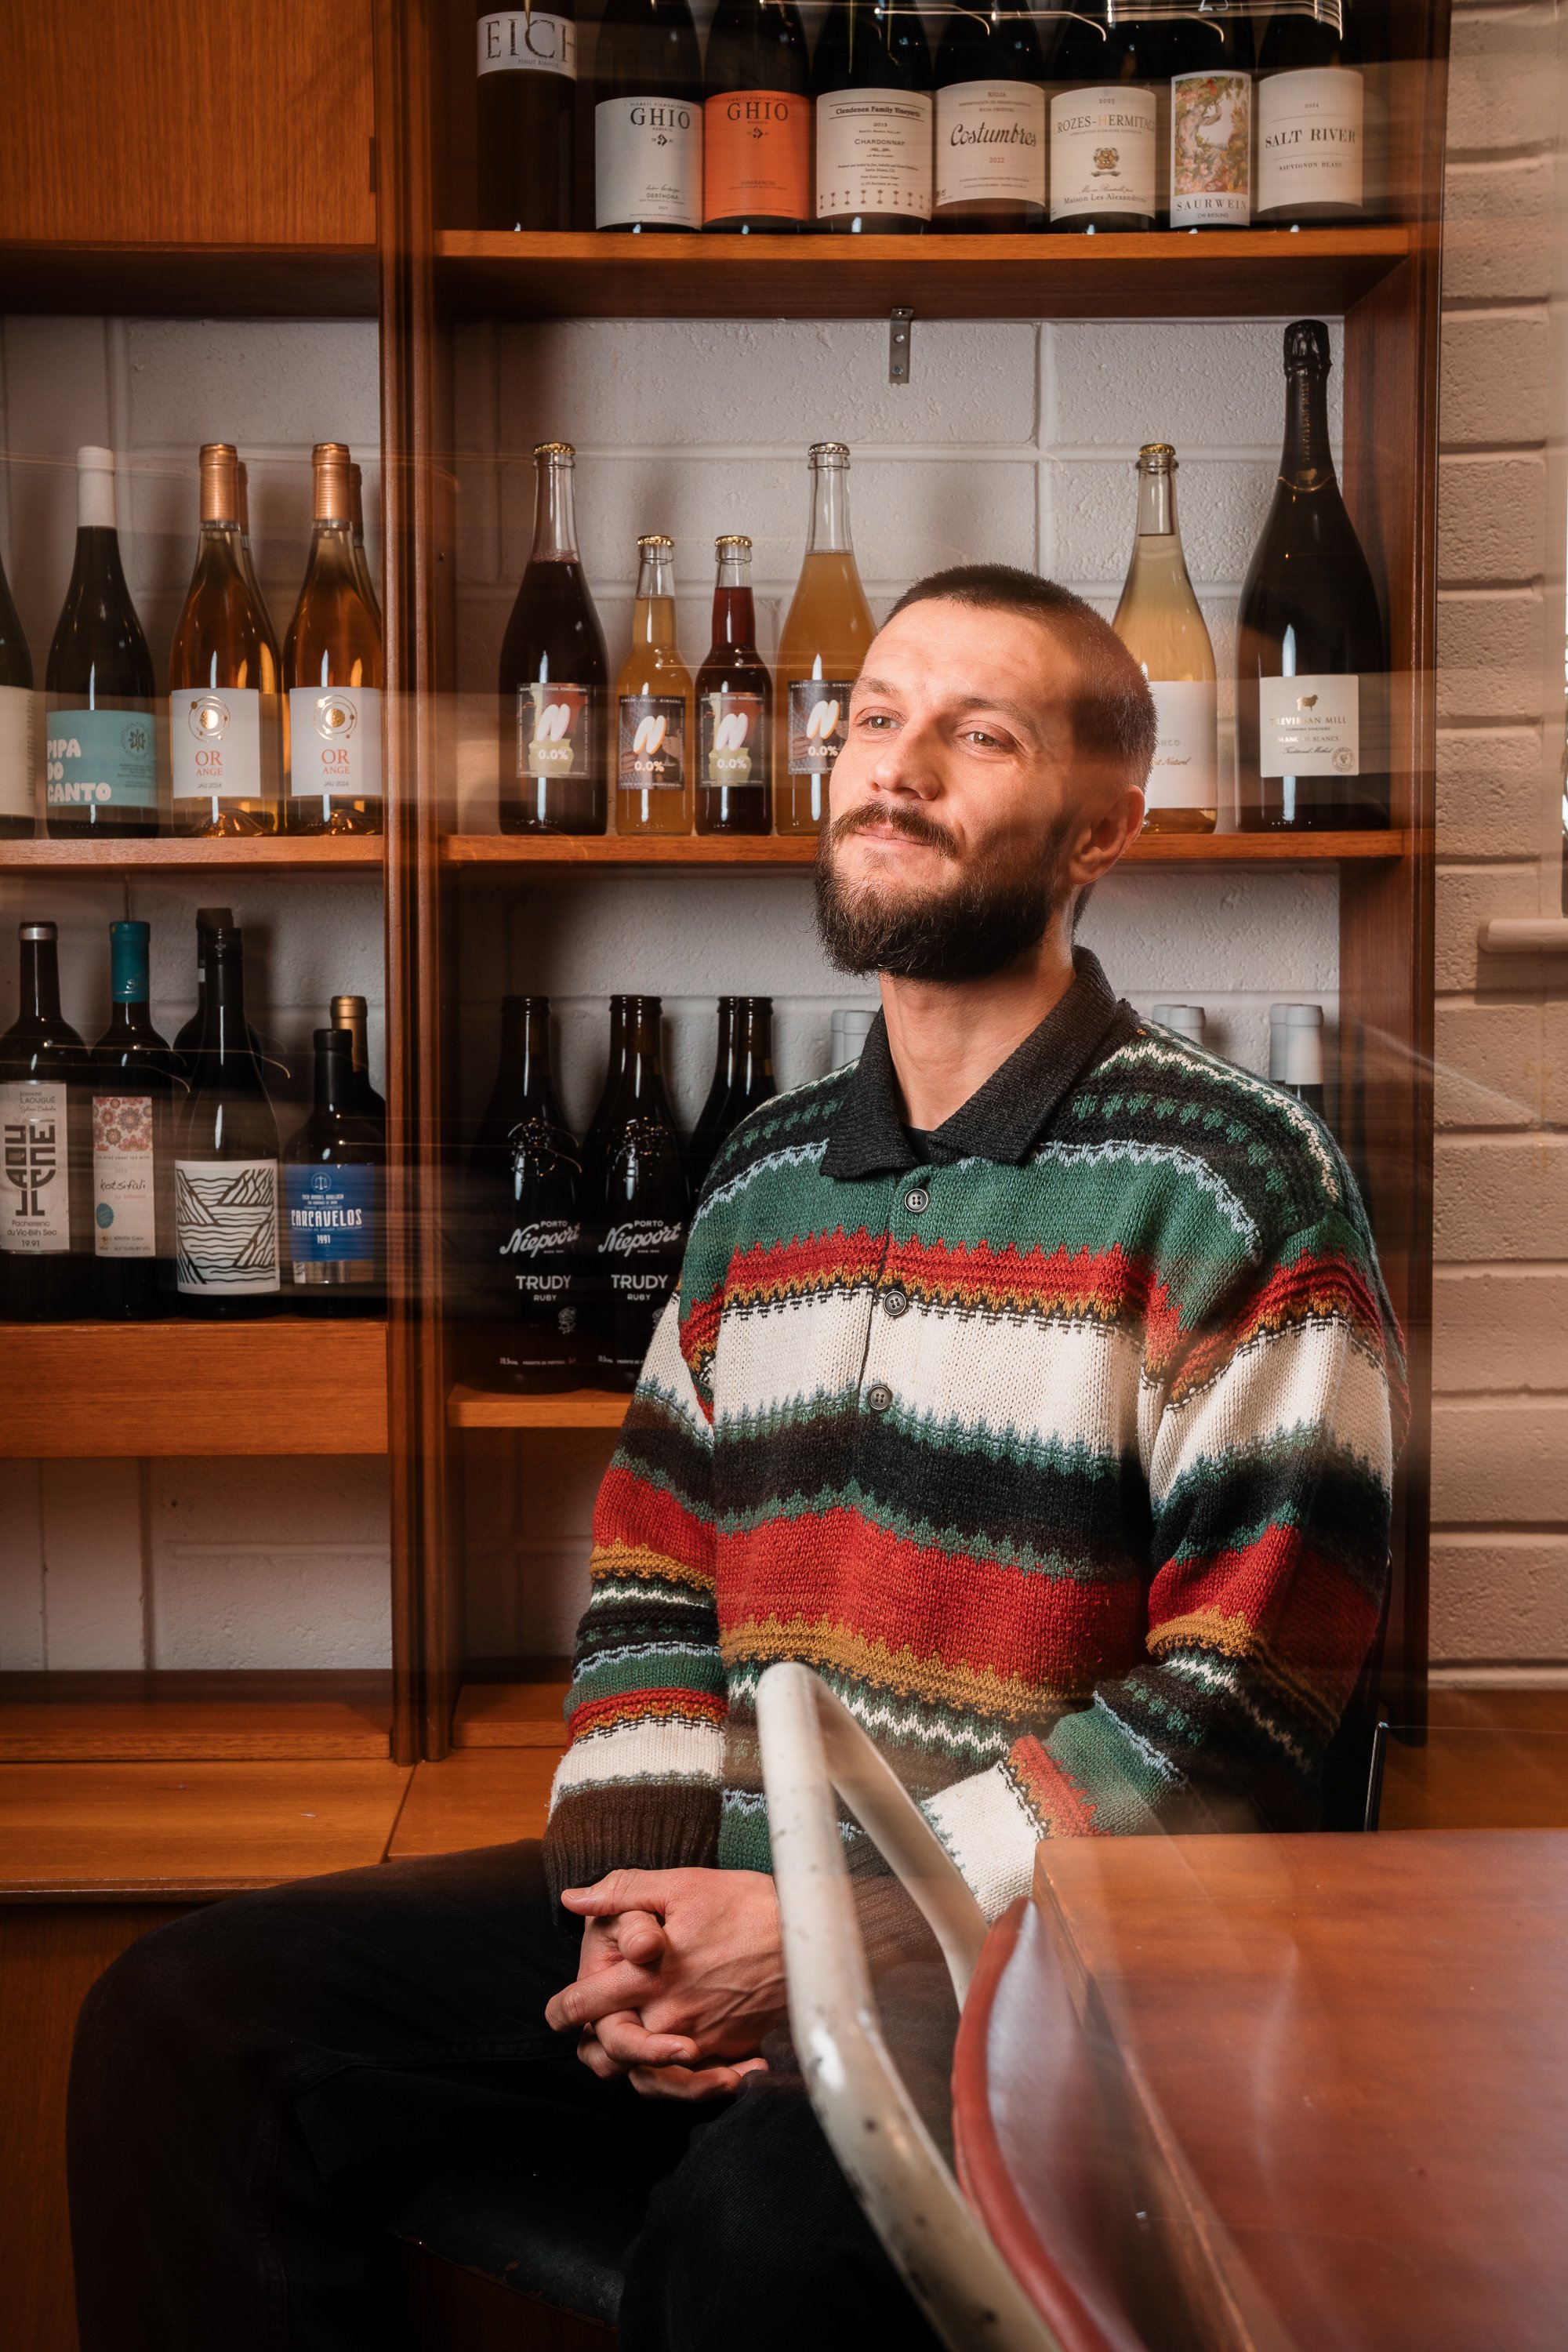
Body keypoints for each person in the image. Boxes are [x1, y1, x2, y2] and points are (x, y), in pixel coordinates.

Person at [68, 566, 1403, 2352]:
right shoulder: (766, 1174)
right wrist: (625, 1906)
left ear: (1105, 828)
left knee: (762, 2235)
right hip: (740, 1886)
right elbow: (653, 1556)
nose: (894, 765)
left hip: (1052, 1967)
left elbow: (1241, 1710)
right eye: (870, 719)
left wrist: (841, 1938)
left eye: (976, 732)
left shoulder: (1232, 1176)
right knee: (188, 2014)